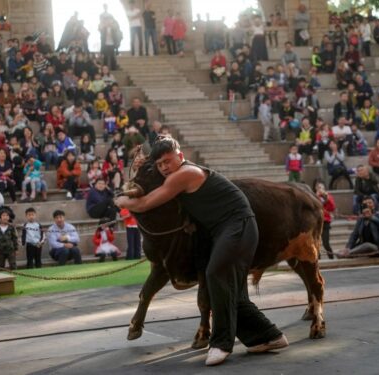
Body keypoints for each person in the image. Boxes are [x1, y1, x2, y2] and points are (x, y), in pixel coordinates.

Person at [115, 136, 286, 366]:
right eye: (160, 164)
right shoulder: (175, 175)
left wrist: (122, 200)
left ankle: (221, 343)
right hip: (226, 229)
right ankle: (269, 336)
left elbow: (146, 203)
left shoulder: (186, 173)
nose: (165, 167)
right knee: (233, 292)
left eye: (168, 161)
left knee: (215, 274)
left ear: (181, 157)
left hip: (238, 224)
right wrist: (143, 167)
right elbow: (155, 184)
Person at [314, 180, 335, 259]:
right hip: (316, 222)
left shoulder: (328, 196)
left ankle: (331, 258)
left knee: (326, 243)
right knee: (316, 243)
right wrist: (316, 197)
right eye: (318, 187)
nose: (319, 189)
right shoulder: (314, 196)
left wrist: (326, 198)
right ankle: (317, 259)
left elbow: (332, 207)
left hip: (325, 222)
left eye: (321, 187)